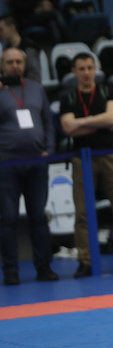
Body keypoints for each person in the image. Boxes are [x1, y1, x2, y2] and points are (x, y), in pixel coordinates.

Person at [59, 53, 113, 277]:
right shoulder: (68, 97)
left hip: (110, 155)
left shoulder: (109, 91)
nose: (86, 73)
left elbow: (112, 119)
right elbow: (68, 129)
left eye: (90, 68)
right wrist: (100, 121)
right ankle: (85, 261)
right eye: (81, 68)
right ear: (74, 72)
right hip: (82, 157)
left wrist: (80, 123)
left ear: (95, 69)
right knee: (82, 213)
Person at [0, 47, 58, 285]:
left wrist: (49, 150)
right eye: (10, 62)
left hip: (36, 161)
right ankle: (11, 271)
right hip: (7, 164)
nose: (15, 66)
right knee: (7, 218)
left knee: (39, 217)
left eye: (18, 62)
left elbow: (48, 122)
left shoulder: (35, 88)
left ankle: (44, 266)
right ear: (2, 65)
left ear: (24, 65)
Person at [0, 14, 42, 82]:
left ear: (12, 27)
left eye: (1, 29)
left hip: (27, 86)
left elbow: (34, 75)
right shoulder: (6, 49)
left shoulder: (28, 47)